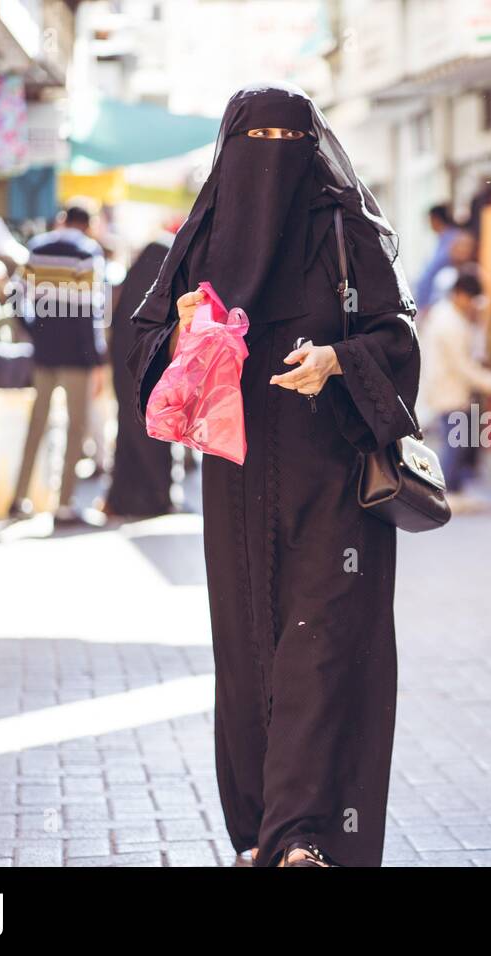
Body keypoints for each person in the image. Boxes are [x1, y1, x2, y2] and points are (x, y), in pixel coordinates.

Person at [127, 83, 420, 868]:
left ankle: (305, 836)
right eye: (258, 145)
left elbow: (398, 339)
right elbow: (145, 354)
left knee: (319, 647)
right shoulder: (205, 234)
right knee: (251, 648)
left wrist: (339, 361)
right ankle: (260, 829)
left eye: (288, 144)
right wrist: (185, 331)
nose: (272, 165)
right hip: (236, 485)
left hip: (335, 482)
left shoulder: (345, 230)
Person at [10, 202, 108, 525]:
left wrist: (33, 329)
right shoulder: (88, 252)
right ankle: (63, 504)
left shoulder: (37, 248)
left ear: (63, 219)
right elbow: (91, 309)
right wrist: (96, 358)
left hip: (44, 351)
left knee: (37, 423)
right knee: (74, 427)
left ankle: (19, 497)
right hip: (76, 355)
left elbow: (14, 295)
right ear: (89, 225)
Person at [104, 236, 175, 518]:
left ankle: (122, 499)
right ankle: (157, 496)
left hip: (126, 375)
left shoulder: (132, 295)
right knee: (153, 434)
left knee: (128, 431)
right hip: (151, 378)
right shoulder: (161, 295)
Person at [418, 268, 491, 494]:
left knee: (457, 443)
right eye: (471, 299)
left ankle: (451, 490)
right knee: (455, 445)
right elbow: (463, 366)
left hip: (450, 388)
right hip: (449, 389)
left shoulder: (450, 316)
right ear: (460, 294)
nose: (473, 305)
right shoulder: (449, 322)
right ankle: (446, 492)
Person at [412, 203, 461, 309]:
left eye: (430, 220)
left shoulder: (454, 239)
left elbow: (435, 268)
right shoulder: (441, 240)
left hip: (439, 300)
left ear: (436, 219)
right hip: (428, 300)